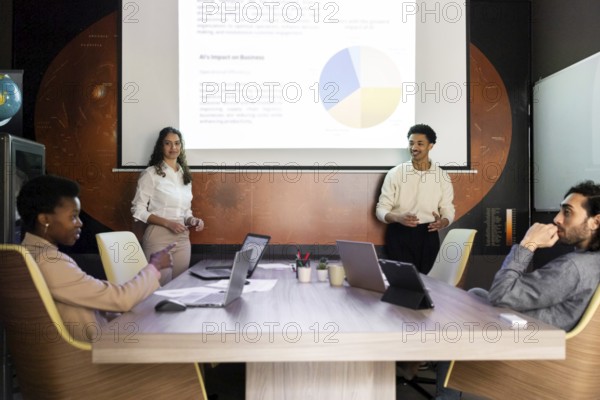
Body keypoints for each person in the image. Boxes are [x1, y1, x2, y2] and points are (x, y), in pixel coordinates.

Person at [16, 174, 174, 342]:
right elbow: (121, 300)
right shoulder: (48, 261)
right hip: (93, 356)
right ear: (45, 219)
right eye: (73, 216)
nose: (80, 223)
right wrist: (154, 267)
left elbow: (96, 295)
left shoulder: (25, 255)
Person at [484, 180, 600, 331]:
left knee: (477, 299)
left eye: (567, 212)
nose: (556, 219)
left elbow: (500, 296)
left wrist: (528, 244)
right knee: (478, 295)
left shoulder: (572, 268)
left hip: (536, 343)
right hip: (545, 335)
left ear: (596, 222)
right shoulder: (592, 262)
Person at [376, 124, 455, 274]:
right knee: (402, 284)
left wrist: (443, 222)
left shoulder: (442, 176)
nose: (414, 147)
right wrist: (398, 218)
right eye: (411, 143)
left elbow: (447, 208)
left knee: (428, 285)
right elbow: (381, 209)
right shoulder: (395, 173)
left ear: (430, 146)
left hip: (429, 234)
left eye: (420, 143)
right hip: (398, 233)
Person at [131, 127, 204, 284]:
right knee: (159, 289)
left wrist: (192, 220)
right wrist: (167, 223)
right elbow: (138, 210)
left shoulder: (185, 176)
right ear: (161, 146)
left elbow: (185, 211)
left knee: (179, 289)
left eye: (177, 143)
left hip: (182, 238)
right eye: (168, 143)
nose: (173, 148)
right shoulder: (150, 174)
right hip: (159, 237)